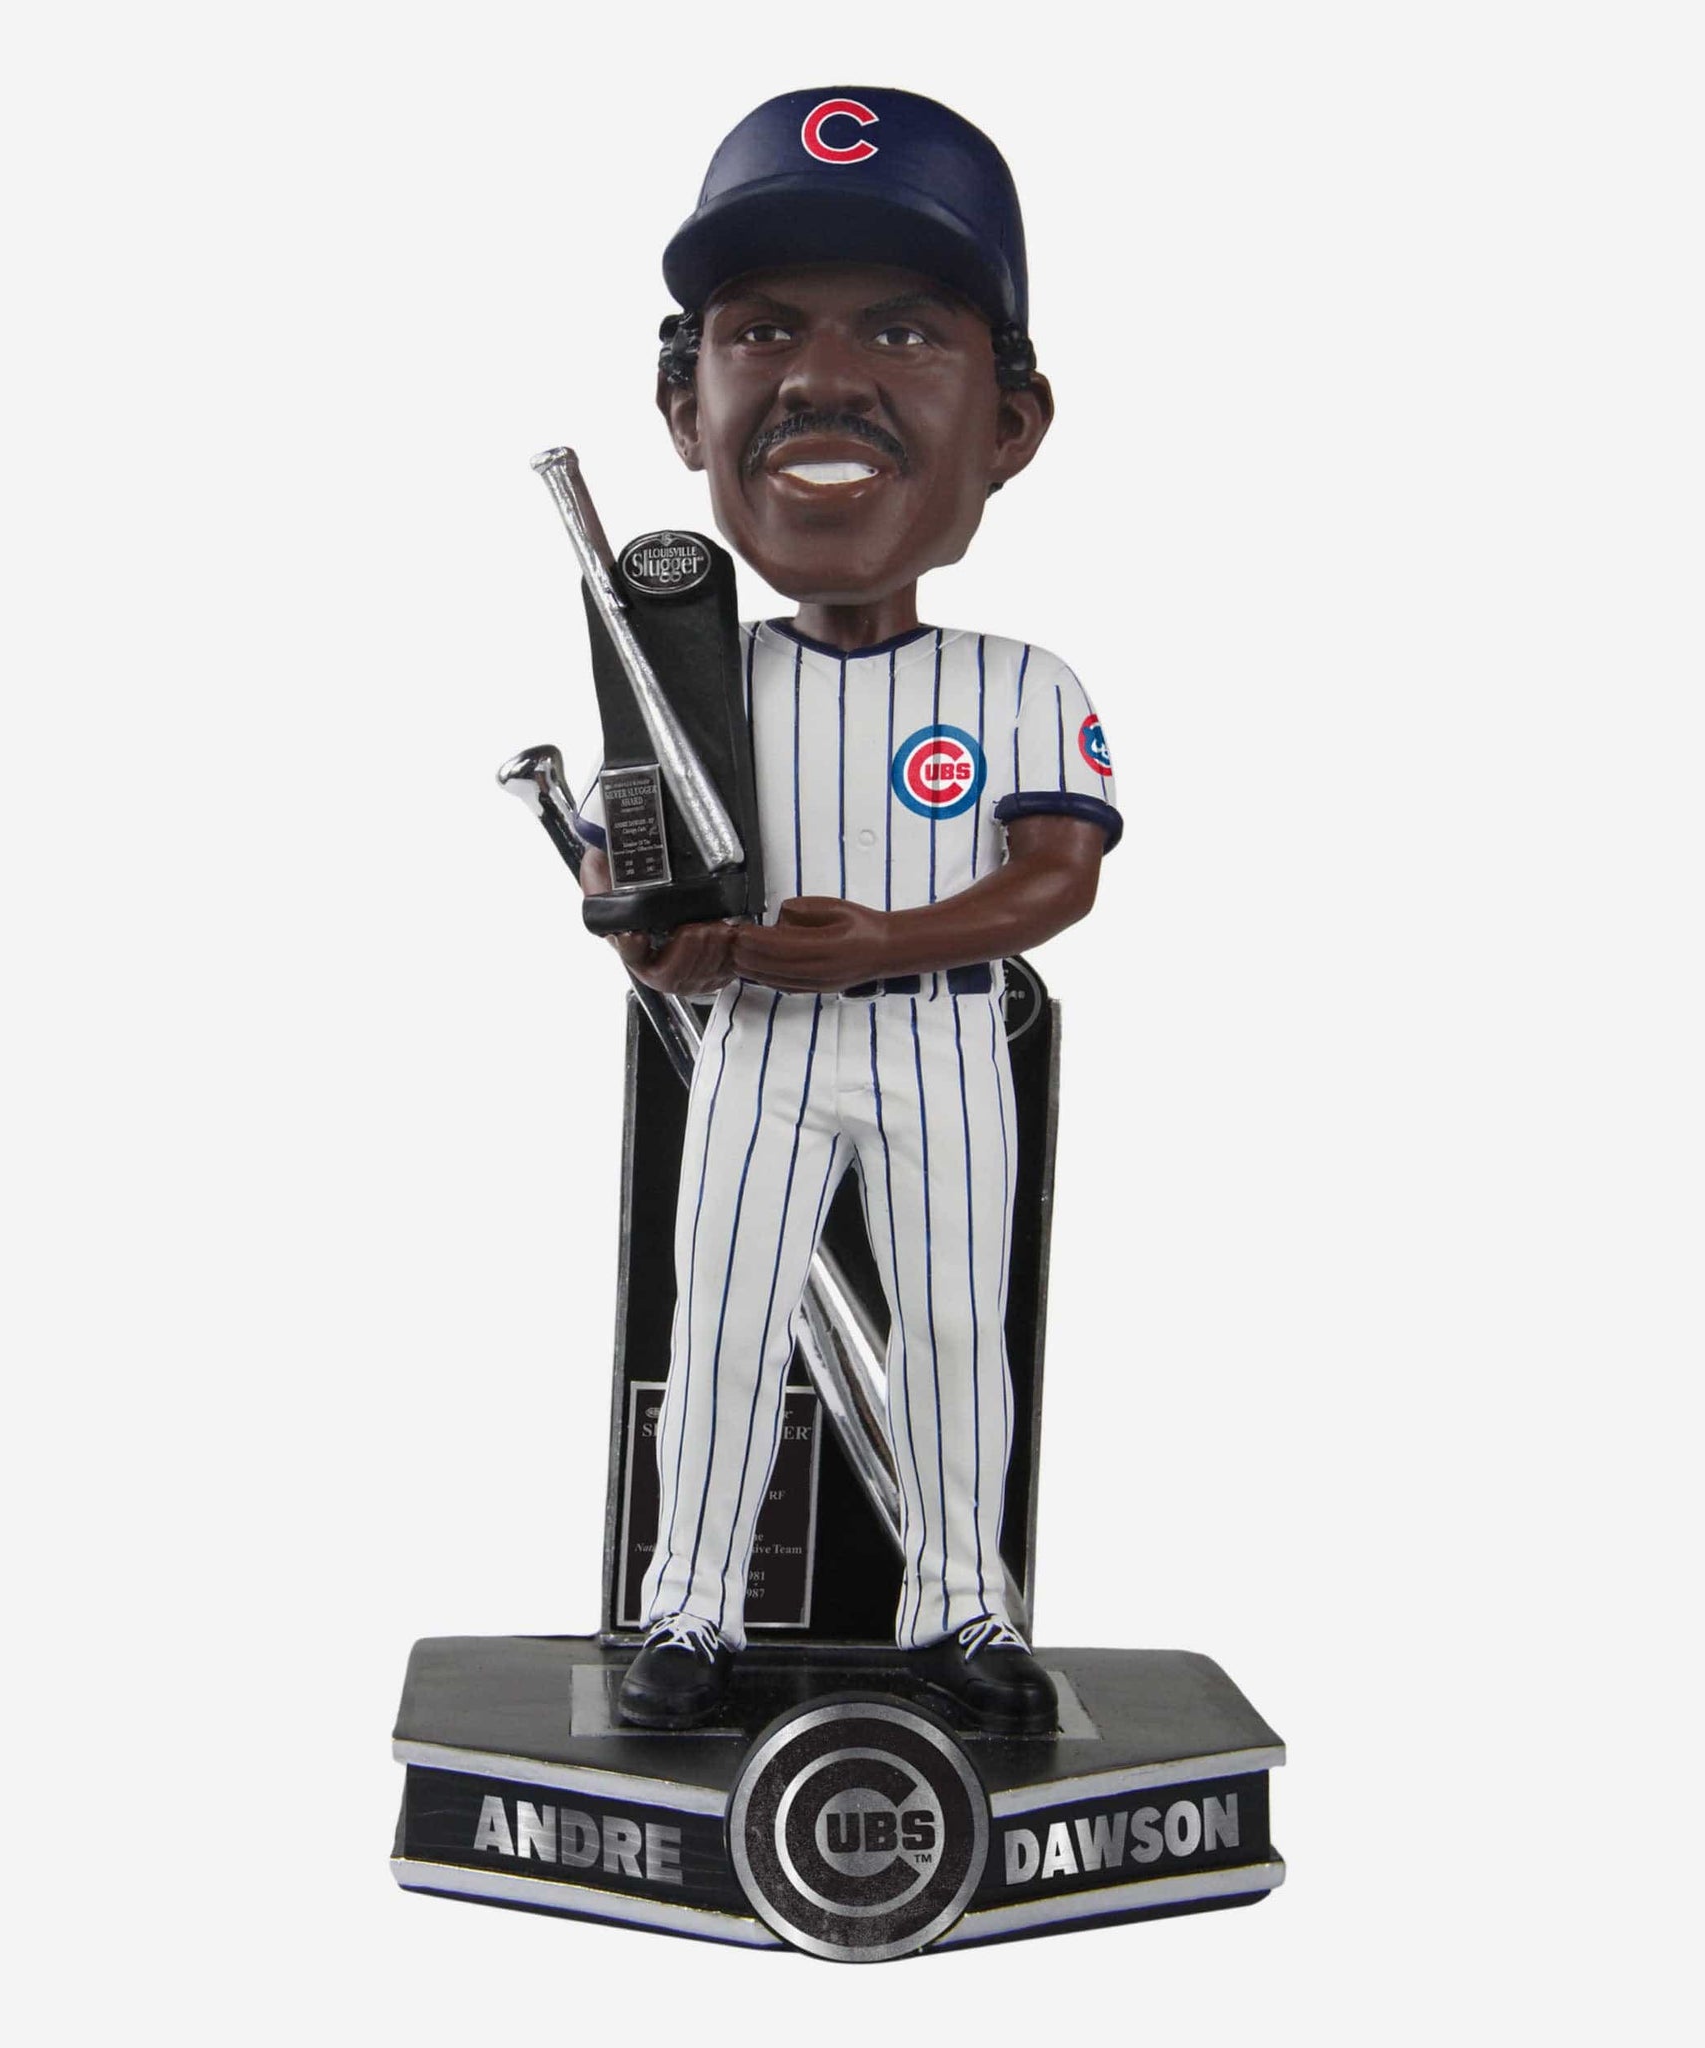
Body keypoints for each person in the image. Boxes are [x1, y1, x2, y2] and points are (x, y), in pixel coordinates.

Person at [576, 88, 1122, 1732]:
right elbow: (638, 866)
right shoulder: (690, 674)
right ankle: (687, 1615)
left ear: (1009, 423)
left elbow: (1059, 876)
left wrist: (885, 942)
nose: (823, 377)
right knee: (726, 1326)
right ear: (686, 405)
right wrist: (647, 928)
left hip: (943, 1040)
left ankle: (963, 1609)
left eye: (901, 329)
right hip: (753, 1037)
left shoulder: (1021, 682)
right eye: (763, 332)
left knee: (955, 1327)